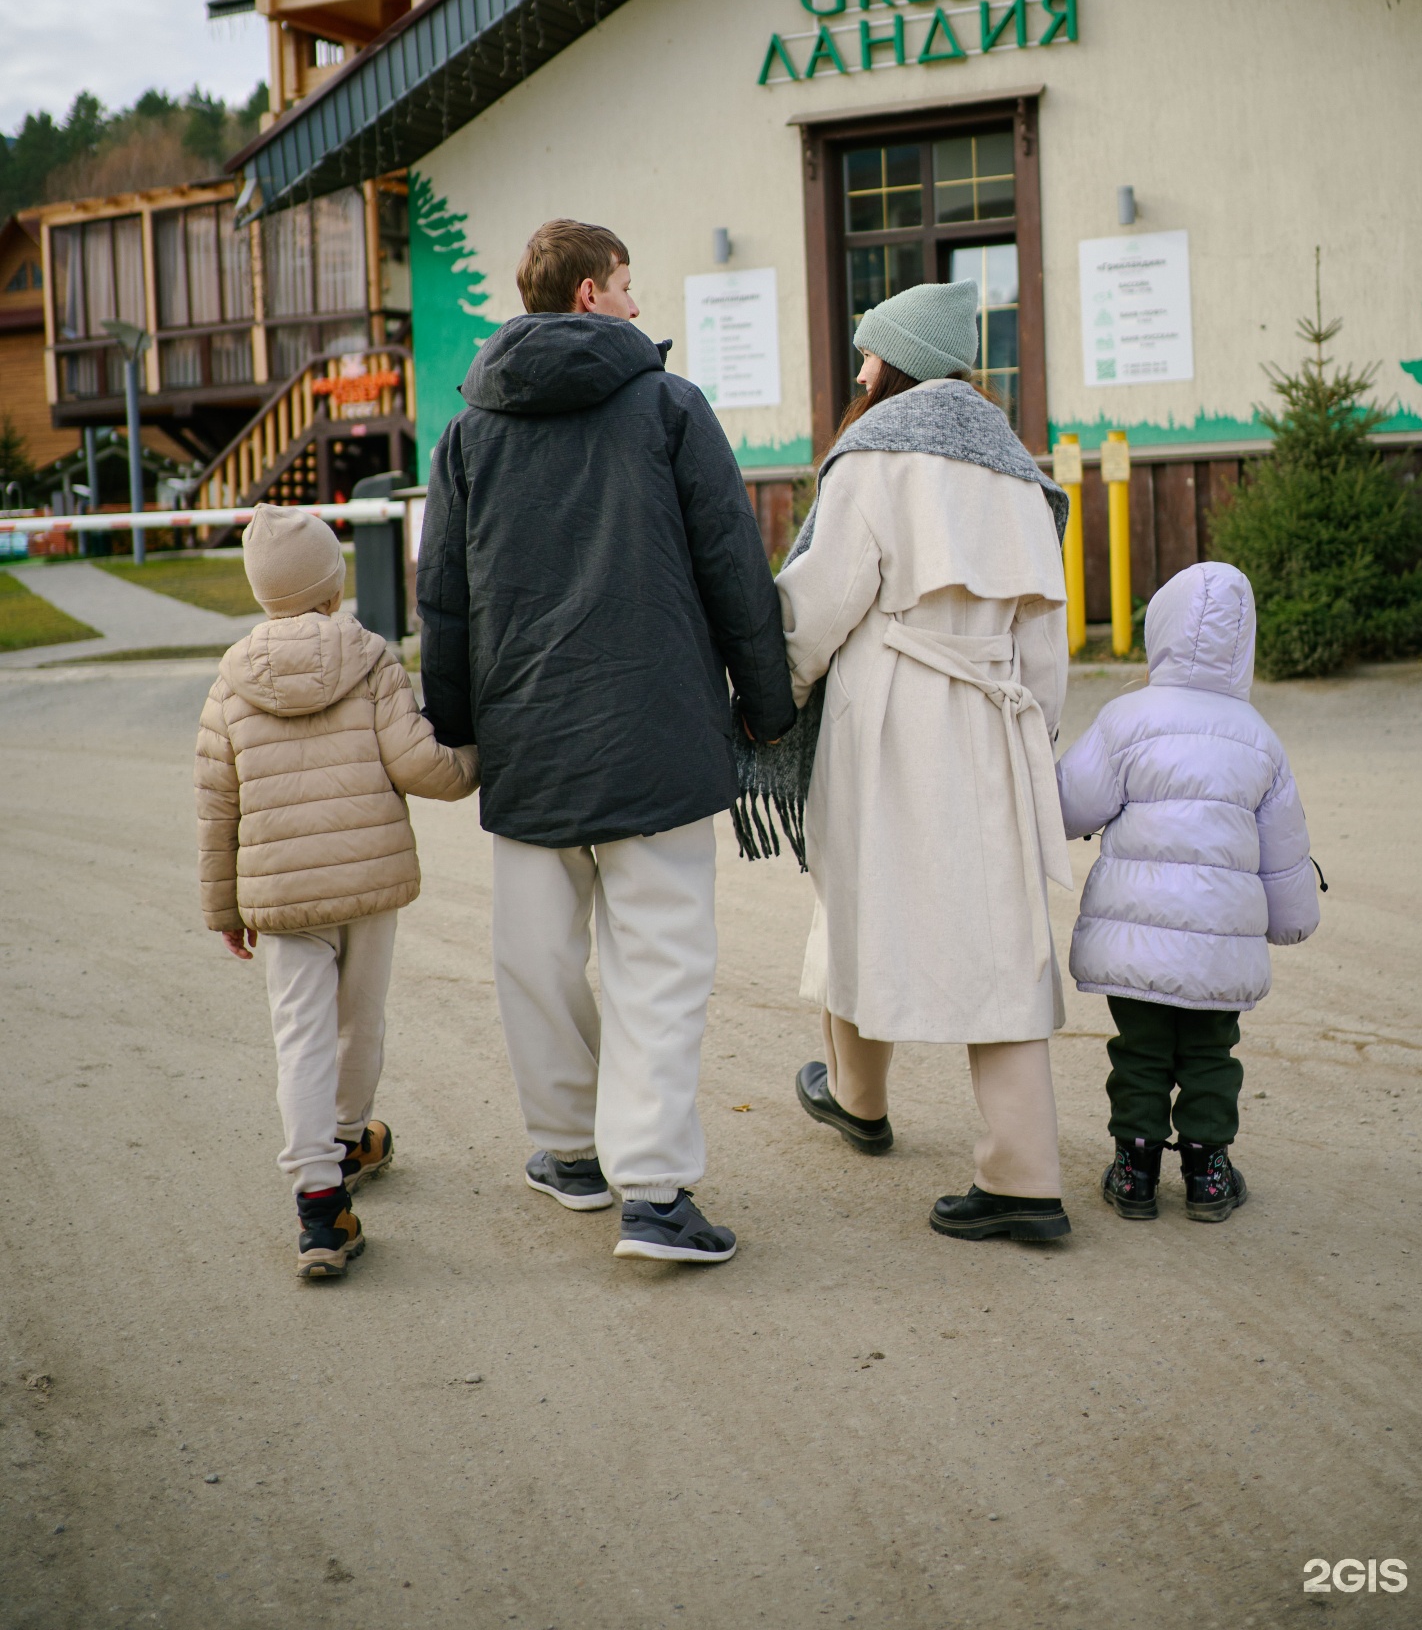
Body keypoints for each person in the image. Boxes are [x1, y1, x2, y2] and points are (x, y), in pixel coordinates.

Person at [417, 219, 794, 1266]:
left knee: (534, 959)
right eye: (627, 283)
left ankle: (568, 1152)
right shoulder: (670, 406)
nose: (637, 302)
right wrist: (767, 702)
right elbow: (732, 563)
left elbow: (441, 596)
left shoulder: (466, 433)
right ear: (590, 296)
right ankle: (656, 1193)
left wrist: (455, 727)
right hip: (658, 734)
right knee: (660, 966)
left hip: (527, 739)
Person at [775, 279, 1076, 1244]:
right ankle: (1025, 1174)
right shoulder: (1020, 470)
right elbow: (1045, 641)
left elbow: (816, 611)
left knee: (864, 897)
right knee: (1001, 931)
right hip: (991, 719)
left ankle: (859, 1100)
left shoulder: (870, 457)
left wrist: (767, 696)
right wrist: (1038, 735)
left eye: (867, 353)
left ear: (893, 362)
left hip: (890, 723)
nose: (859, 370)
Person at [195, 504, 478, 1279]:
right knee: (360, 1020)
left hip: (282, 896)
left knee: (301, 1039)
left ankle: (320, 1207)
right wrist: (481, 763)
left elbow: (217, 803)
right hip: (368, 882)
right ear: (333, 586)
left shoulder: (229, 684)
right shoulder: (370, 657)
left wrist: (225, 908)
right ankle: (350, 1135)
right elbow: (421, 765)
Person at [1055, 560, 1319, 1222]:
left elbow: (1073, 806)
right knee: (1210, 1053)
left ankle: (1134, 1169)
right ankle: (1208, 1172)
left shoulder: (1127, 719)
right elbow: (1284, 850)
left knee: (1139, 1052)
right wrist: (1291, 920)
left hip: (1135, 937)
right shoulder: (1260, 739)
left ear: (1162, 631)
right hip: (1220, 950)